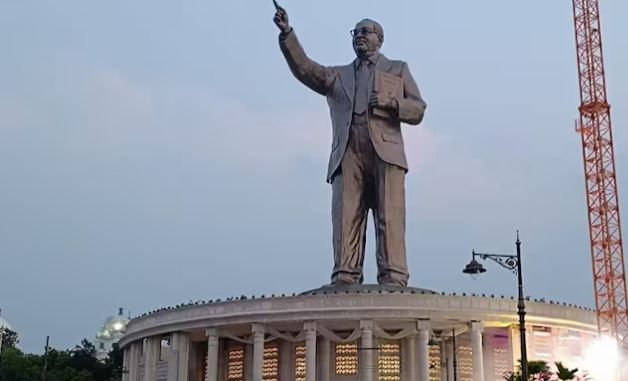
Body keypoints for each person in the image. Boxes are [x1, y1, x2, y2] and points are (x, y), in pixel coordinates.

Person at [274, 5, 427, 286]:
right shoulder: (337, 75)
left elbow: (418, 109)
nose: (359, 36)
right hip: (348, 150)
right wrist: (288, 34)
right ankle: (345, 274)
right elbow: (306, 69)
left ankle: (393, 275)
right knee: (346, 217)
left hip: (386, 151)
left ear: (379, 39)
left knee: (389, 216)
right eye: (355, 32)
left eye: (365, 31)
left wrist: (392, 104)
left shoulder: (397, 69)